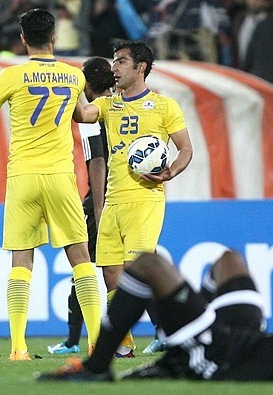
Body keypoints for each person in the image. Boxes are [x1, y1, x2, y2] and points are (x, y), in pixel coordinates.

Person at [35, 250, 273, 383]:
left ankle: (98, 366)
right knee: (230, 261)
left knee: (150, 266)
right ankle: (183, 337)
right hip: (248, 336)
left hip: (222, 352)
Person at [0, 8, 102, 361]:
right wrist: (113, 104)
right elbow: (85, 115)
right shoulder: (73, 77)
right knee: (80, 256)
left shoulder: (12, 76)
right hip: (60, 176)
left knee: (21, 258)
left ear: (22, 39)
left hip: (22, 176)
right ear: (54, 36)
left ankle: (18, 347)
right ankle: (98, 343)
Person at [71, 40, 193, 356]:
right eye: (114, 61)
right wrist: (72, 84)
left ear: (141, 67)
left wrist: (171, 172)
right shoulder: (109, 105)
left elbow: (186, 148)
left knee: (137, 268)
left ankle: (173, 330)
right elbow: (82, 114)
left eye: (122, 61)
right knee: (110, 272)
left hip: (146, 198)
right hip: (113, 200)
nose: (115, 67)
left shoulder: (165, 106)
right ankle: (124, 344)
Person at [47, 56, 114, 355]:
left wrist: (98, 209)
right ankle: (162, 332)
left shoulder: (91, 114)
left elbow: (97, 162)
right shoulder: (124, 104)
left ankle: (75, 340)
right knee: (132, 267)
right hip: (131, 195)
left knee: (83, 267)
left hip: (104, 199)